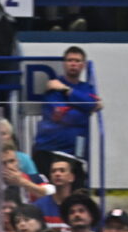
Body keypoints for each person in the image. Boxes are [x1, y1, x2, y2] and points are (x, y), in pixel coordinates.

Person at [33, 47, 101, 186]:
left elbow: (90, 103)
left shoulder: (86, 88)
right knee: (47, 192)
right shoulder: (53, 88)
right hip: (49, 149)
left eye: (77, 61)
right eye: (70, 60)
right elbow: (62, 115)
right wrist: (86, 110)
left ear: (83, 65)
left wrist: (66, 90)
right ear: (64, 64)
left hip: (75, 153)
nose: (73, 64)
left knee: (78, 193)